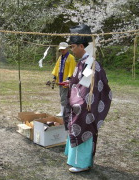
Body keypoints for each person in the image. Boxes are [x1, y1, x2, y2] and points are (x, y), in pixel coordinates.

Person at [63, 24, 112, 173]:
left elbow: (89, 88)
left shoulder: (91, 63)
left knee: (83, 129)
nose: (72, 50)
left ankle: (82, 163)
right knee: (77, 128)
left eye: (73, 47)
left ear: (81, 46)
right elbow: (80, 81)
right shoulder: (83, 62)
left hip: (85, 105)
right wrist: (70, 83)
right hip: (80, 102)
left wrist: (76, 100)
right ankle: (78, 160)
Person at [52, 42, 76, 117]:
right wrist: (54, 77)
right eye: (61, 50)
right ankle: (66, 111)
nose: (62, 51)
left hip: (66, 80)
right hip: (60, 79)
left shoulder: (71, 58)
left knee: (64, 96)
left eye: (63, 49)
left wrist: (68, 78)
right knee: (62, 95)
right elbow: (57, 67)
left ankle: (63, 112)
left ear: (67, 49)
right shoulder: (60, 57)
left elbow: (72, 69)